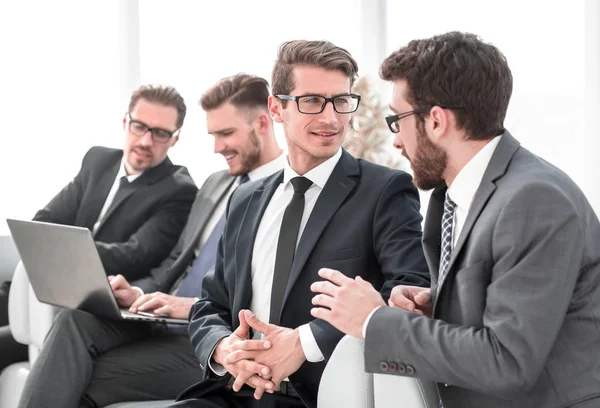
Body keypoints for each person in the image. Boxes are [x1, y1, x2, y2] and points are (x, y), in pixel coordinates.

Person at [311, 31, 600, 408]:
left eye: (397, 120)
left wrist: (374, 320)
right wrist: (439, 307)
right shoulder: (452, 196)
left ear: (435, 121)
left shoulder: (535, 199)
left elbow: (508, 362)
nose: (396, 141)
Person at [172, 40, 430, 408]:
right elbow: (210, 305)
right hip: (232, 392)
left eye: (341, 101)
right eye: (311, 101)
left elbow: (409, 295)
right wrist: (223, 347)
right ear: (277, 109)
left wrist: (304, 344)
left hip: (317, 396)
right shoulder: (245, 200)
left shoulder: (384, 190)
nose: (331, 118)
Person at [17, 74, 286, 408]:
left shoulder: (287, 192)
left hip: (214, 335)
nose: (217, 147)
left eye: (225, 134)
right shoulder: (217, 183)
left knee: (73, 375)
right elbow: (176, 261)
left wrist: (191, 308)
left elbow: (270, 295)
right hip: (163, 320)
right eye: (213, 135)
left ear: (263, 123)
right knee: (75, 318)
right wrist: (139, 295)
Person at [1, 84, 198, 373]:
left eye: (160, 133)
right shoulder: (99, 160)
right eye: (139, 126)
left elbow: (136, 254)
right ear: (125, 122)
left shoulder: (179, 190)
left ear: (175, 139)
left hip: (100, 310)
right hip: (48, 290)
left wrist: (61, 249)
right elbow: (45, 218)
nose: (145, 140)